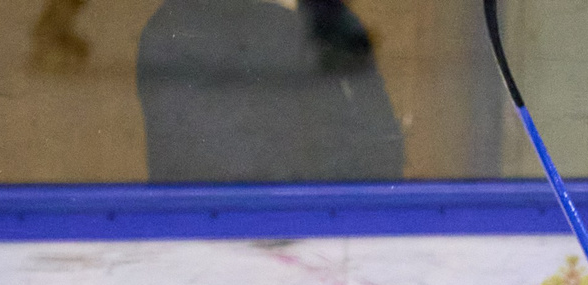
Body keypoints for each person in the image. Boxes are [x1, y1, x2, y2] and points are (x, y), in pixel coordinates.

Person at [137, 0, 403, 184]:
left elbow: (382, 146)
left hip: (323, 230)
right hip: (213, 237)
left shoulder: (328, 20)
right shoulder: (179, 28)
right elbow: (218, 163)